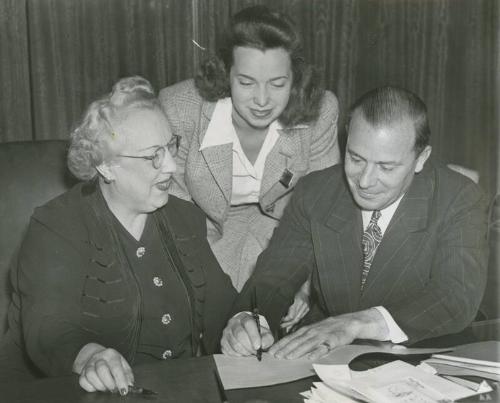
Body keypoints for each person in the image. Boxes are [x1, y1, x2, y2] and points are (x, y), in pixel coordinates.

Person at [0, 76, 236, 393]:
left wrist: (243, 322)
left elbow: (222, 302)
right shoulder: (56, 225)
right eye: (153, 155)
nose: (170, 167)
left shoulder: (184, 216)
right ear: (108, 167)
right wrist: (90, 357)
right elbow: (49, 328)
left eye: (170, 147)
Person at [221, 86, 489, 360]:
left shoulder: (459, 198)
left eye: (386, 167)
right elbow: (275, 275)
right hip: (330, 360)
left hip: (425, 358)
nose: (365, 181)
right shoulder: (316, 191)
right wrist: (249, 319)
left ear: (420, 159)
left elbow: (455, 296)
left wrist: (355, 323)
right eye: (356, 158)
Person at [159, 5, 340, 330]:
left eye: (277, 83)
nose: (262, 100)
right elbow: (173, 215)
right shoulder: (179, 109)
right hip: (203, 229)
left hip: (286, 230)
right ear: (225, 72)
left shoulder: (321, 111)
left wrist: (303, 283)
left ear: (295, 78)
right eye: (246, 82)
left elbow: (322, 212)